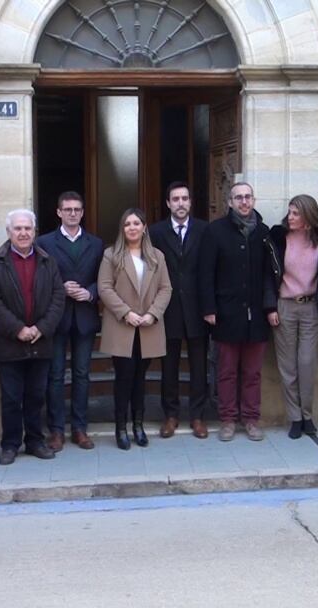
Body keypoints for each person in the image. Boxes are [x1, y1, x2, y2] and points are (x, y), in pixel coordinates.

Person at [0, 210, 65, 465]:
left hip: (41, 341)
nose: (23, 233)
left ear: (34, 231)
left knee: (36, 395)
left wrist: (41, 328)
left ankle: (35, 441)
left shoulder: (48, 261)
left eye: (28, 228)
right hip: (9, 342)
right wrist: (18, 329)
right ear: (9, 232)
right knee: (11, 398)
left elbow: (57, 298)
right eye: (18, 228)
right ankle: (10, 445)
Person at [200, 182, 279, 442]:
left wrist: (270, 307)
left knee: (252, 372)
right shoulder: (215, 231)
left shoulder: (265, 233)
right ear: (230, 202)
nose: (244, 202)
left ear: (254, 200)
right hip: (226, 313)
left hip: (257, 315)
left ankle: (251, 419)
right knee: (226, 371)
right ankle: (227, 419)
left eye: (248, 197)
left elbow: (270, 275)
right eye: (238, 198)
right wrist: (209, 308)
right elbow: (206, 273)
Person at [98, 208, 173, 449]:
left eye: (136, 223)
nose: (132, 227)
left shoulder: (156, 256)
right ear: (123, 228)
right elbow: (104, 288)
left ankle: (138, 425)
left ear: (144, 227)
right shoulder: (111, 255)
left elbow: (165, 288)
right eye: (127, 223)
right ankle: (121, 428)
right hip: (123, 326)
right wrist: (125, 313)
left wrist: (152, 313)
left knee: (141, 378)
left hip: (148, 326)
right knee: (124, 377)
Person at [35, 192, 103, 452]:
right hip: (56, 318)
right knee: (54, 376)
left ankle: (79, 428)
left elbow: (103, 278)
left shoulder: (95, 244)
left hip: (84, 317)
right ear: (59, 212)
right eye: (68, 209)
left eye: (77, 209)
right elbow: (39, 278)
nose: (72, 213)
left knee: (82, 374)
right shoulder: (45, 243)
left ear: (83, 212)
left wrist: (90, 293)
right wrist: (59, 287)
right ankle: (56, 430)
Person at [149, 182, 209, 439]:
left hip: (198, 309)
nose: (181, 203)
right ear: (168, 204)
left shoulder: (205, 230)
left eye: (185, 198)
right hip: (168, 309)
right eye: (176, 199)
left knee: (198, 366)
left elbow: (210, 271)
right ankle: (170, 415)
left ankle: (197, 416)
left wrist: (210, 307)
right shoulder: (155, 232)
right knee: (169, 366)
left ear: (190, 202)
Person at [269, 194, 318, 440]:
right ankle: (295, 418)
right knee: (288, 367)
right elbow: (268, 275)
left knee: (306, 364)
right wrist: (270, 308)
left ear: (308, 215)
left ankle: (308, 415)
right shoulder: (277, 236)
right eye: (290, 212)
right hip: (284, 306)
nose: (290, 217)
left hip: (311, 308)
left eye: (296, 213)